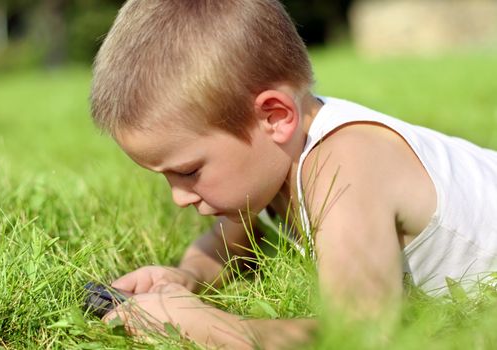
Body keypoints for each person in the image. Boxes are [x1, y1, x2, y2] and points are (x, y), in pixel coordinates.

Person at [89, 0, 497, 348]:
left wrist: (202, 326)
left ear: (274, 116)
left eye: (189, 171)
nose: (179, 197)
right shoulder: (272, 162)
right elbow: (230, 242)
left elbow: (360, 335)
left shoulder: (345, 166)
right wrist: (185, 277)